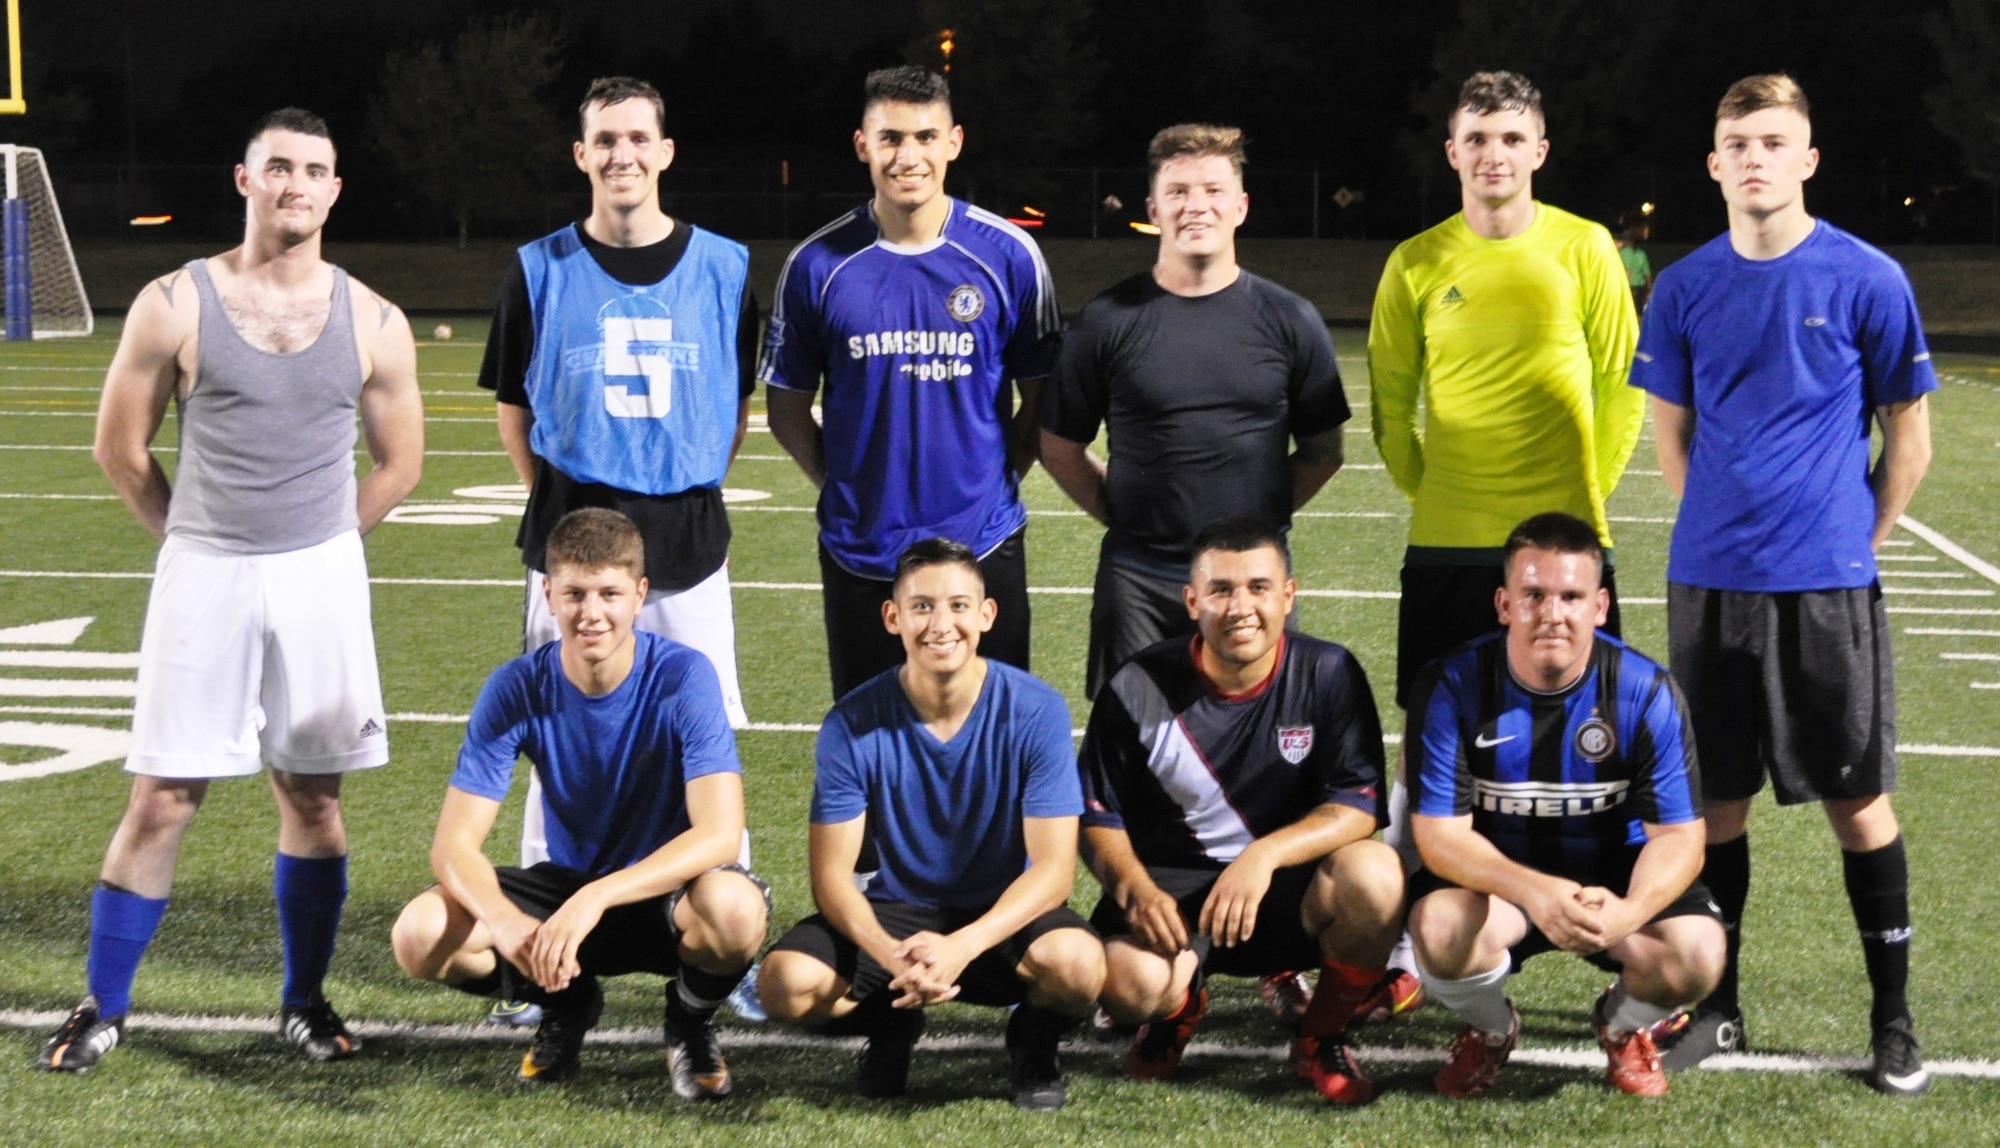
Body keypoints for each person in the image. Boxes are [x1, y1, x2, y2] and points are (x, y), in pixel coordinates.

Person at [37, 108, 423, 1072]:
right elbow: (119, 453)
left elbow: (400, 463)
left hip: (320, 579)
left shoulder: (374, 318)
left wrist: (321, 542)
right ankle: (103, 1004)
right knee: (163, 796)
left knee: (314, 799)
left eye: (316, 171)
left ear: (336, 190)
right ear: (244, 180)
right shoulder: (174, 301)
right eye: (279, 167)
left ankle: (305, 1001)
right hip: (204, 569)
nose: (297, 184)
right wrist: (198, 544)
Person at [1632, 74, 1936, 1095]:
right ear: (1712, 162)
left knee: (1856, 801)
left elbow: (1907, 430)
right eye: (1736, 141)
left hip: (1824, 587)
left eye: (1773, 140)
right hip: (1708, 582)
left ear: (1805, 160)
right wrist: (1711, 519)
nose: (1753, 156)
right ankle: (1718, 1006)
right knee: (1714, 804)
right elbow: (1668, 427)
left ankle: (1890, 1016)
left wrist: (1856, 533)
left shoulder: (1865, 275)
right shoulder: (1681, 285)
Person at [475, 76, 758, 1024]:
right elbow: (515, 409)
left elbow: (733, 411)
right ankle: (536, 947)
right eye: (605, 139)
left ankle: (728, 929)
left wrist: (669, 495)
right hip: (576, 540)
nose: (622, 154)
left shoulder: (722, 264)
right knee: (553, 734)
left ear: (665, 152)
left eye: (639, 137)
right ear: (581, 153)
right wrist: (570, 525)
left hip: (684, 537)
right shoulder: (539, 265)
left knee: (706, 727)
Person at [1368, 69, 1643, 924]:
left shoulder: (1586, 246)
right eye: (1478, 138)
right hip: (1449, 541)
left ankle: (1615, 929)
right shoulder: (1415, 262)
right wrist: (1438, 486)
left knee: (1602, 738)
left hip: (1567, 544)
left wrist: (1585, 492)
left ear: (1540, 151)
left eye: (1512, 138)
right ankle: (1418, 937)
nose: (1495, 154)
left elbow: (1624, 383)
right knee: (1430, 741)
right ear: (1453, 151)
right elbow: (1389, 404)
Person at [389, 509, 769, 1097]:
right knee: (420, 933)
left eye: (610, 594)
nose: (592, 613)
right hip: (565, 890)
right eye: (574, 594)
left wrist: (600, 895)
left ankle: (688, 1020)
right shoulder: (516, 686)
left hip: (661, 895)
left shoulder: (684, 676)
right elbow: (453, 846)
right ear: (548, 594)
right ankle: (566, 1003)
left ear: (640, 594)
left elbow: (719, 834)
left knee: (736, 912)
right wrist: (505, 919)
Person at [755, 538, 1104, 1111]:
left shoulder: (1037, 710)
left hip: (998, 914)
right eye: (922, 606)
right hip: (897, 914)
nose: (941, 623)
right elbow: (832, 879)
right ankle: (890, 1028)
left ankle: (1034, 1043)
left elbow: (1053, 870)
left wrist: (962, 946)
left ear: (987, 615)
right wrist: (893, 957)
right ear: (893, 617)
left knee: (1079, 967)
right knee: (785, 984)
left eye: (959, 606)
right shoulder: (852, 721)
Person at [1079, 517, 1406, 1105]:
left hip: (1286, 892)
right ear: (1191, 600)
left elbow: (1357, 806)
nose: (1240, 607)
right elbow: (1096, 814)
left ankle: (1321, 1035)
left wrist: (1264, 855)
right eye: (1222, 590)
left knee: (1376, 875)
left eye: (1258, 587)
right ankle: (1177, 1007)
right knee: (1127, 985)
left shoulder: (1328, 673)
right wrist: (1134, 889)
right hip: (1174, 897)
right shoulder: (1137, 685)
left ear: (1288, 595)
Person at [761, 65, 1059, 701]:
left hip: (983, 542)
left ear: (953, 142)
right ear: (863, 145)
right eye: (891, 137)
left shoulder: (1008, 255)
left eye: (925, 137)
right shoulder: (818, 265)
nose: (909, 156)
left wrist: (986, 482)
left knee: (995, 749)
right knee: (872, 753)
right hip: (863, 551)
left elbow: (1040, 401)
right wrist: (847, 485)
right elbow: (786, 409)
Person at [1406, 512, 1723, 1098]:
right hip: (1503, 888)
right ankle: (1492, 1029)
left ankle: (1622, 1025)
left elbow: (1681, 838)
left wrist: (1629, 912)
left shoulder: (1644, 692)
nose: (1552, 614)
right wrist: (1535, 892)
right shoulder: (1452, 685)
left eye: (1571, 597)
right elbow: (1438, 835)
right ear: (1504, 603)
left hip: (1612, 887)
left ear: (1600, 607)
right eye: (1533, 595)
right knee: (1440, 928)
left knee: (1699, 954)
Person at [1040, 125, 1350, 702]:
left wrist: (1257, 524)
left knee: (1266, 756)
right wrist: (1124, 511)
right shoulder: (1106, 321)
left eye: (1212, 190)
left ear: (1241, 206)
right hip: (1141, 580)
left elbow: (1323, 452)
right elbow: (1058, 445)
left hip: (1251, 586)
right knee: (1133, 759)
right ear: (1154, 208)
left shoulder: (1292, 320)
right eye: (1179, 192)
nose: (1196, 206)